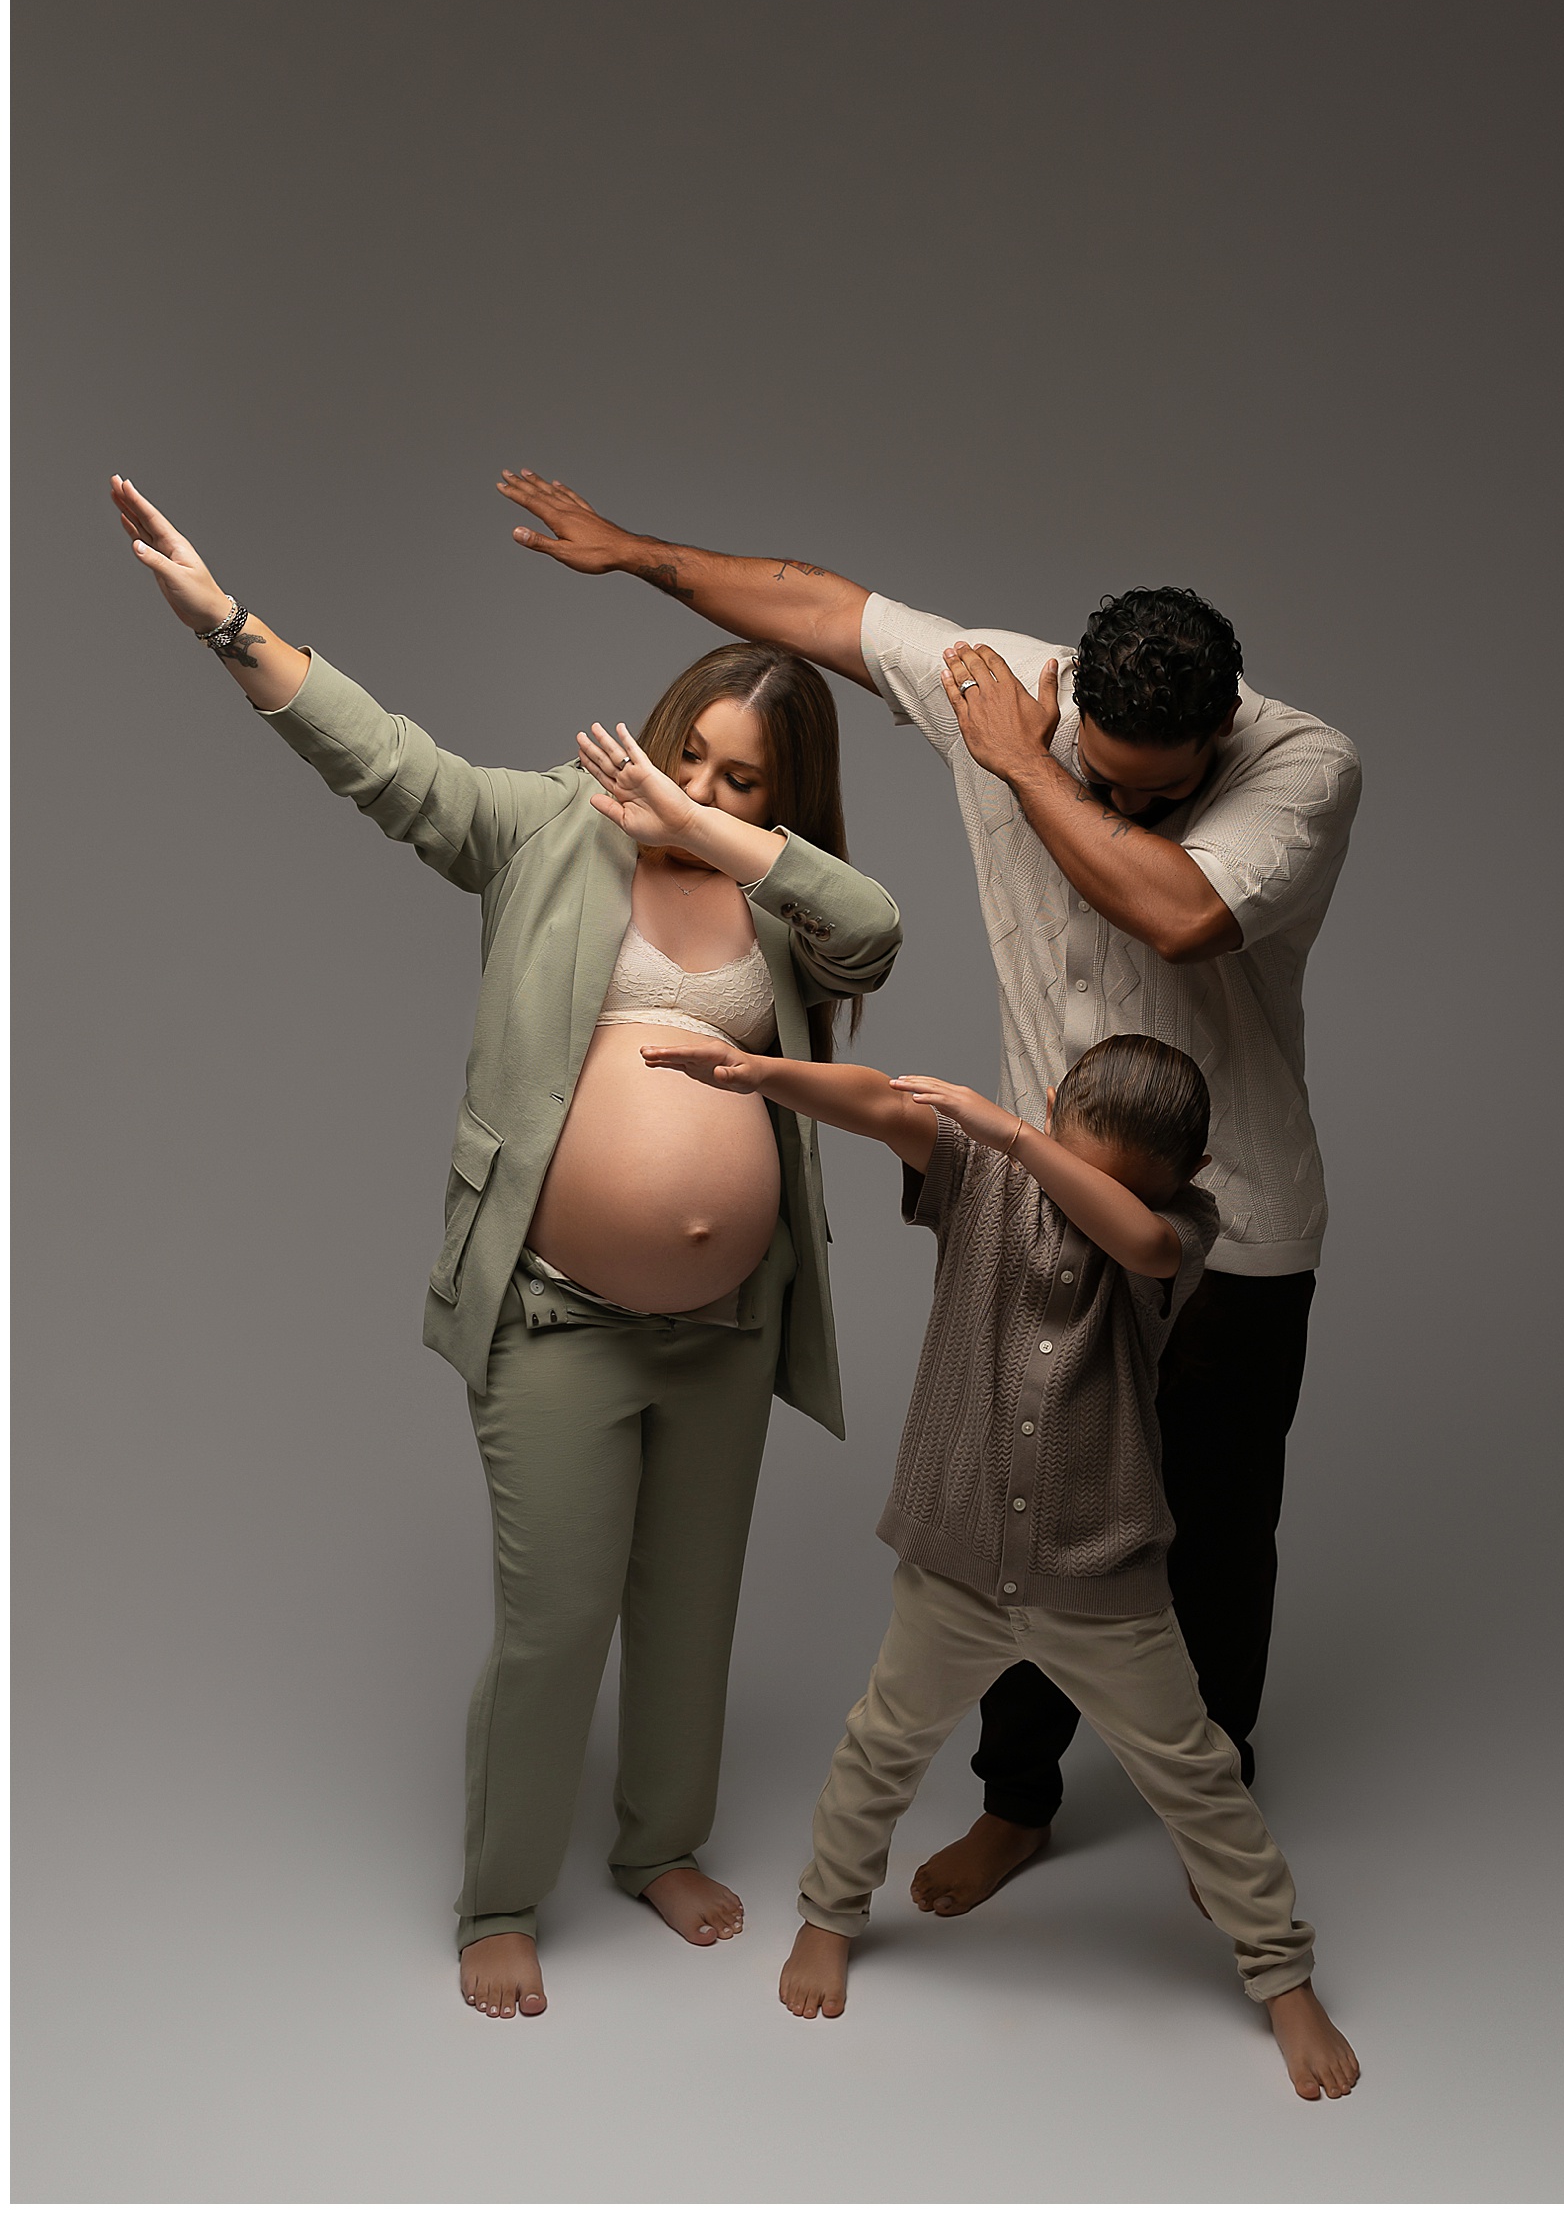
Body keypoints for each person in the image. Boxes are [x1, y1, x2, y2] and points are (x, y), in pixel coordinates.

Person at [493, 468, 1362, 1911]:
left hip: (1238, 1222)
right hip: (1037, 1196)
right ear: (1072, 685)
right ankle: (1015, 1803)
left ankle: (1215, 1810)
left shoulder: (1302, 763)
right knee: (1030, 1500)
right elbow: (815, 604)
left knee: (1211, 1526)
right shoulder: (1009, 684)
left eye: (1142, 790)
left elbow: (1177, 913)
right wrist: (634, 551)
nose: (1097, 789)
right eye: (1086, 762)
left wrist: (1021, 765)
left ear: (1219, 734)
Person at [109, 476, 902, 2022]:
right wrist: (228, 624)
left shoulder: (781, 904)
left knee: (693, 1605)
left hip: (730, 1324)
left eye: (745, 781)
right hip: (558, 1317)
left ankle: (658, 1846)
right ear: (659, 732)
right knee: (553, 1622)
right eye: (691, 756)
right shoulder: (549, 829)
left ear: (781, 797)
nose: (703, 789)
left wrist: (720, 846)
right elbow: (387, 766)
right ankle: (499, 1894)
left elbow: (876, 929)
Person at [643, 1028, 1359, 2100]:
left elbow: (1144, 1245)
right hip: (959, 1558)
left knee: (1200, 1780)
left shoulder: (1175, 1224)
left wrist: (1020, 1136)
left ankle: (1283, 1975)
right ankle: (829, 1916)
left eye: (1114, 1179)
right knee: (881, 1747)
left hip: (1100, 1577)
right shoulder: (977, 1171)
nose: (1078, 1193)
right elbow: (881, 1105)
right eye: (1074, 1153)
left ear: (1183, 1182)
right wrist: (765, 1077)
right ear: (1063, 1107)